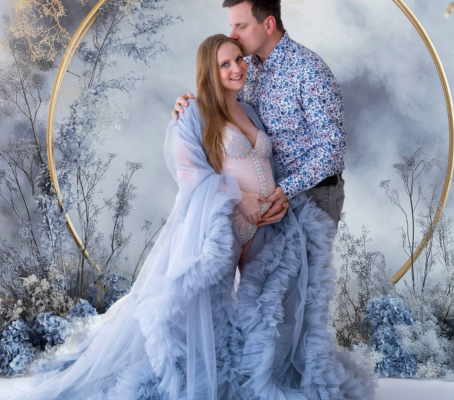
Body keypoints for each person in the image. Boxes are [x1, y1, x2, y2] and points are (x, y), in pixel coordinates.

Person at [2, 34, 375, 400]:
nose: (236, 68)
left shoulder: (250, 109)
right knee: (206, 311)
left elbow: (269, 163)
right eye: (224, 64)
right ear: (209, 71)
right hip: (222, 225)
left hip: (264, 224)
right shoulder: (195, 113)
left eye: (239, 59)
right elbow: (190, 172)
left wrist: (278, 197)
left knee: (267, 309)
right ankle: (204, 379)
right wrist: (240, 197)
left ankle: (262, 376)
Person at [173, 0, 346, 232]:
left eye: (241, 26)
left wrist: (286, 190)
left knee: (307, 258)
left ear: (269, 25)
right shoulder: (245, 67)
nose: (233, 35)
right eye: (232, 26)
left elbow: (333, 148)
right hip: (264, 200)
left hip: (314, 194)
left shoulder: (309, 70)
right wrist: (192, 106)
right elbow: (225, 109)